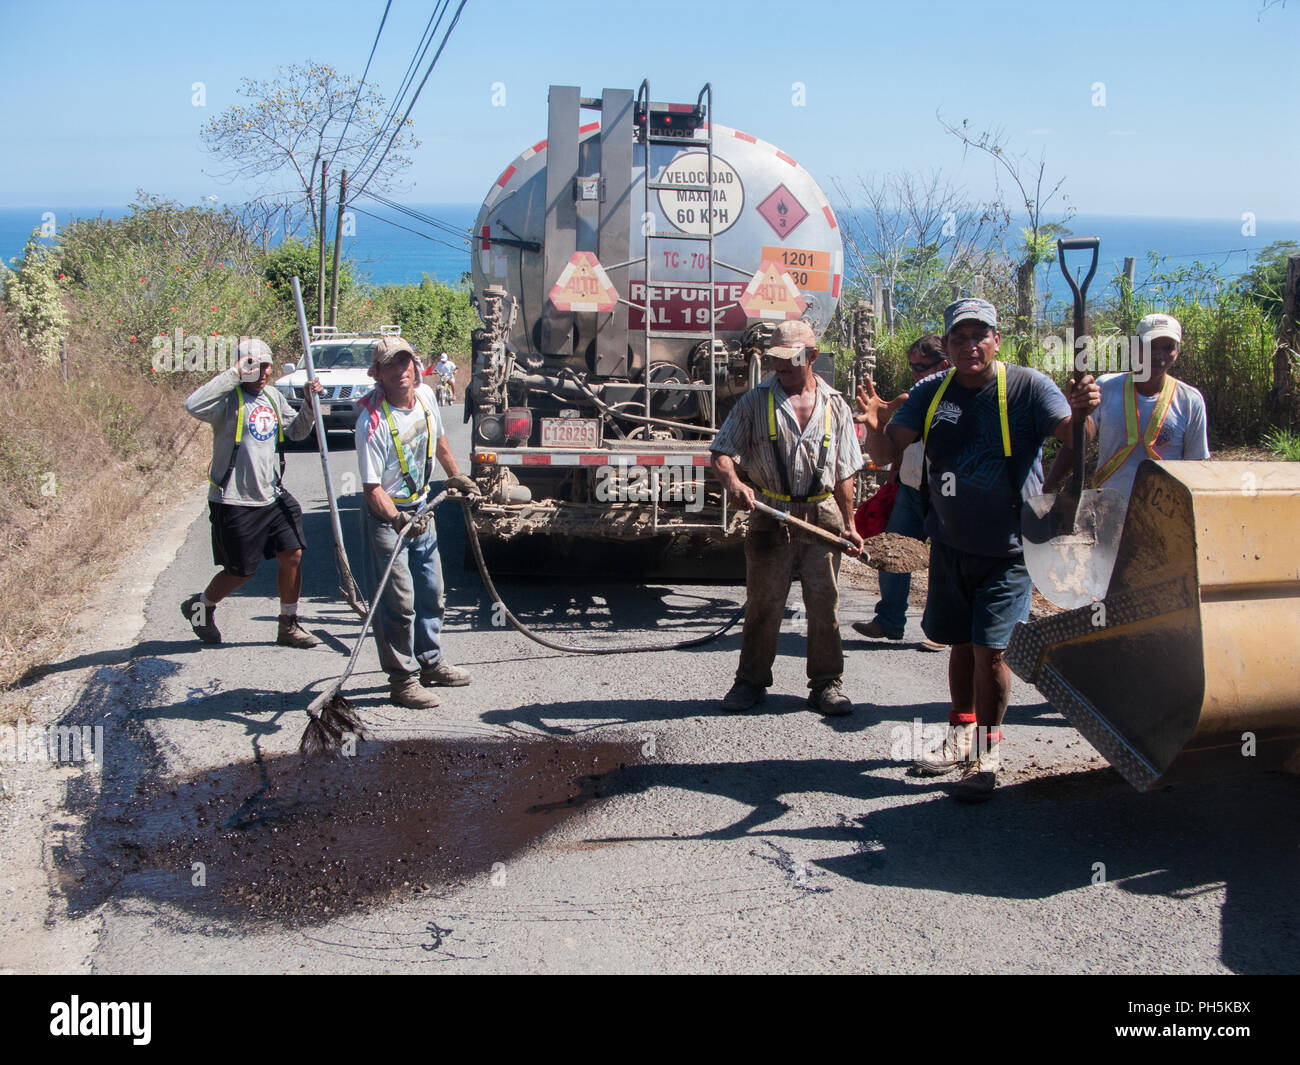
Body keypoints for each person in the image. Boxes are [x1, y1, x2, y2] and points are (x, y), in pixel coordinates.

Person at [857, 298, 1099, 801]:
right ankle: (960, 734)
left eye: (979, 334)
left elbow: (1077, 440)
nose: (970, 344)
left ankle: (987, 753)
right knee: (961, 644)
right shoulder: (931, 390)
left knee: (991, 651)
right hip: (949, 546)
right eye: (959, 336)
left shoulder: (1029, 387)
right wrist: (879, 426)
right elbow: (886, 455)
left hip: (1009, 551)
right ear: (946, 345)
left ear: (997, 339)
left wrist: (1082, 414)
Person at [710, 318, 865, 717]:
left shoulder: (836, 406)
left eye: (790, 359)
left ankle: (827, 685)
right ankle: (750, 683)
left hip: (822, 514)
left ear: (811, 356)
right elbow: (721, 453)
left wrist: (849, 523)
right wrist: (735, 484)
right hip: (770, 512)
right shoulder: (754, 401)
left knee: (824, 603)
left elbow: (846, 470)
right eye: (775, 358)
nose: (780, 366)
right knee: (763, 603)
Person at [355, 336, 480, 710]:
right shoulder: (371, 422)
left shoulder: (426, 398)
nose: (401, 371)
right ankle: (402, 680)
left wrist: (456, 475)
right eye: (391, 365)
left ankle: (430, 663)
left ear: (416, 365)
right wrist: (396, 518)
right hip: (388, 518)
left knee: (432, 592)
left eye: (405, 362)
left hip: (422, 510)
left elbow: (440, 441)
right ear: (378, 373)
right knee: (399, 603)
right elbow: (371, 489)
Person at [181, 337, 324, 648]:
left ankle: (288, 625)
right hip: (234, 499)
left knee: (293, 554)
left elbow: (297, 431)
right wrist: (233, 374)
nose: (264, 371)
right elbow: (192, 405)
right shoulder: (226, 401)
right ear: (241, 367)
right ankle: (201, 606)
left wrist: (310, 406)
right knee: (241, 572)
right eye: (254, 366)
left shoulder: (273, 397)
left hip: (272, 495)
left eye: (267, 365)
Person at [851, 334, 949, 652]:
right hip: (910, 488)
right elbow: (896, 443)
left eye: (921, 367)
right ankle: (889, 621)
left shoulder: (959, 397)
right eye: (912, 367)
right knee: (894, 553)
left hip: (948, 494)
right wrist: (894, 472)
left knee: (946, 560)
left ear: (944, 365)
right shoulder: (914, 398)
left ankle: (940, 629)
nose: (915, 373)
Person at [1045, 312, 1209, 497]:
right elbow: (1078, 441)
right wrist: (1079, 414)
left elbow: (1196, 467)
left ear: (1177, 352)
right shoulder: (1106, 387)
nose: (1158, 354)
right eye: (1151, 345)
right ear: (1134, 346)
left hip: (1165, 513)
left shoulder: (1189, 400)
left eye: (1168, 347)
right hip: (1109, 507)